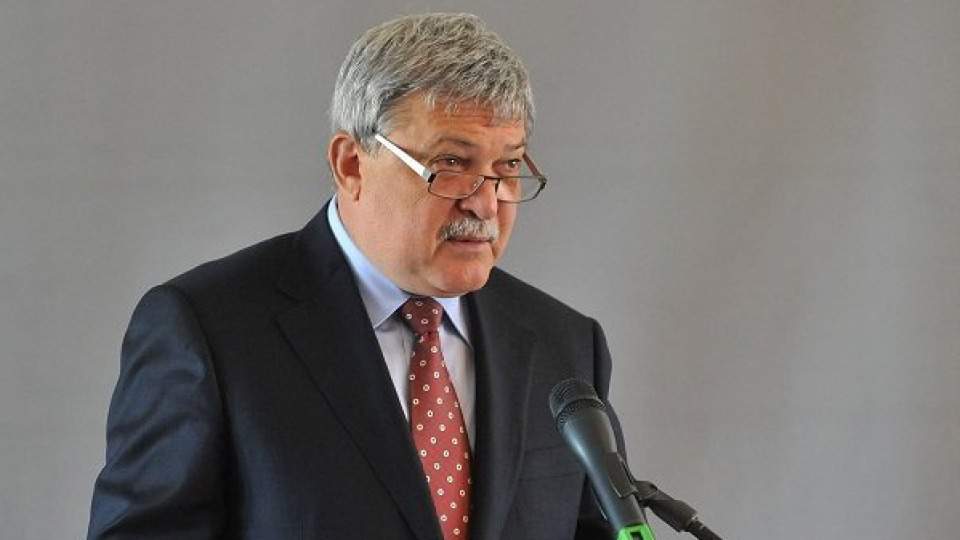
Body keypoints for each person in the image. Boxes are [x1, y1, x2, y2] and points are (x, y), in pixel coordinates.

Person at [89, 13, 621, 540]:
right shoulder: (209, 330)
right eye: (451, 163)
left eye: (507, 167)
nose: (486, 203)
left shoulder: (567, 346)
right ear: (350, 164)